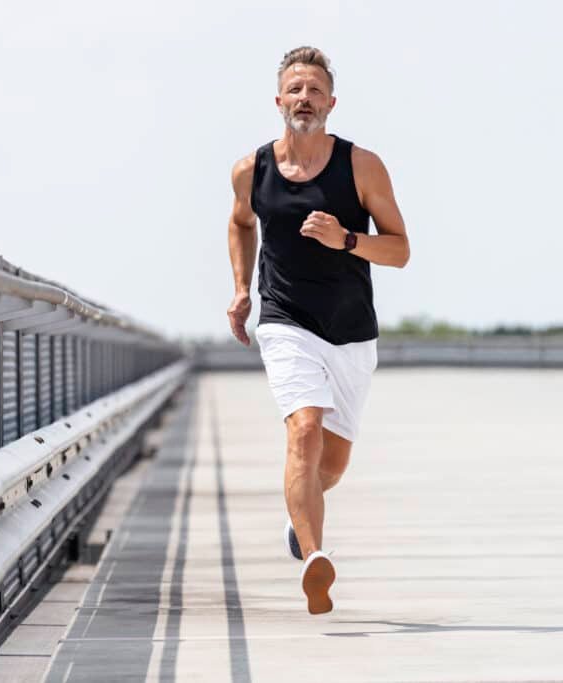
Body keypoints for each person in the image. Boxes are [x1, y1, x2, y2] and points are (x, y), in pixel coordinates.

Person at [226, 46, 410, 614]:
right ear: (278, 100)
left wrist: (346, 239)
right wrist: (241, 290)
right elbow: (239, 223)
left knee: (331, 465)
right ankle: (314, 558)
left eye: (314, 90)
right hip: (285, 321)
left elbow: (400, 250)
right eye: (294, 88)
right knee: (302, 430)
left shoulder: (362, 166)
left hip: (351, 331)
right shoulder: (250, 169)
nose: (304, 98)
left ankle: (297, 521)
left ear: (331, 102)